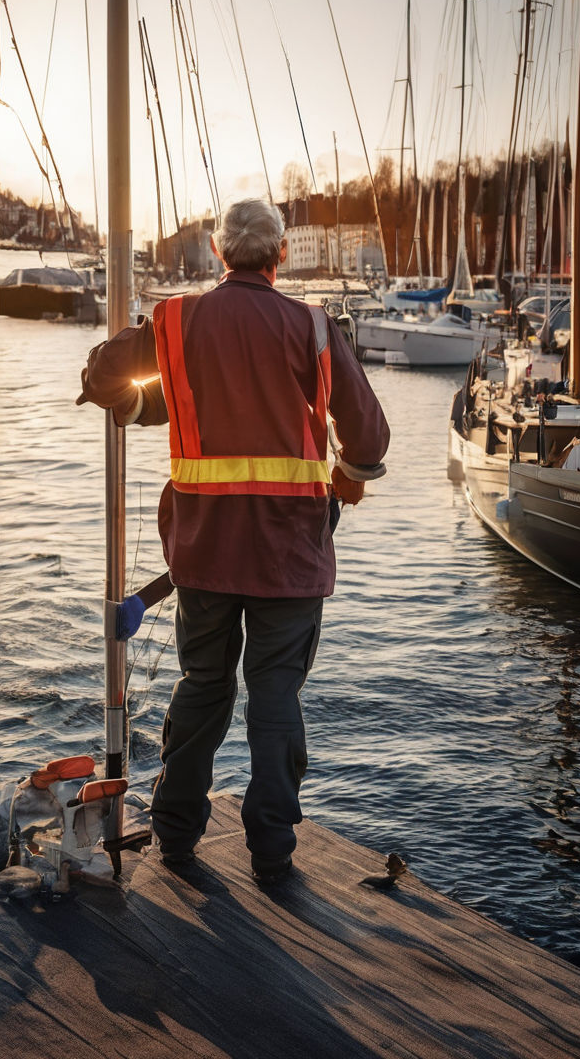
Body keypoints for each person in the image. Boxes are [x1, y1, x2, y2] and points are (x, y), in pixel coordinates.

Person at [77, 198, 389, 883]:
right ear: (280, 256)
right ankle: (272, 851)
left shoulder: (177, 319)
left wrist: (133, 401)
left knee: (203, 685)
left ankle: (178, 836)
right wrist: (352, 473)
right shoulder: (312, 328)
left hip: (205, 551)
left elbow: (105, 380)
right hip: (290, 554)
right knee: (275, 694)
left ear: (218, 254)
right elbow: (367, 430)